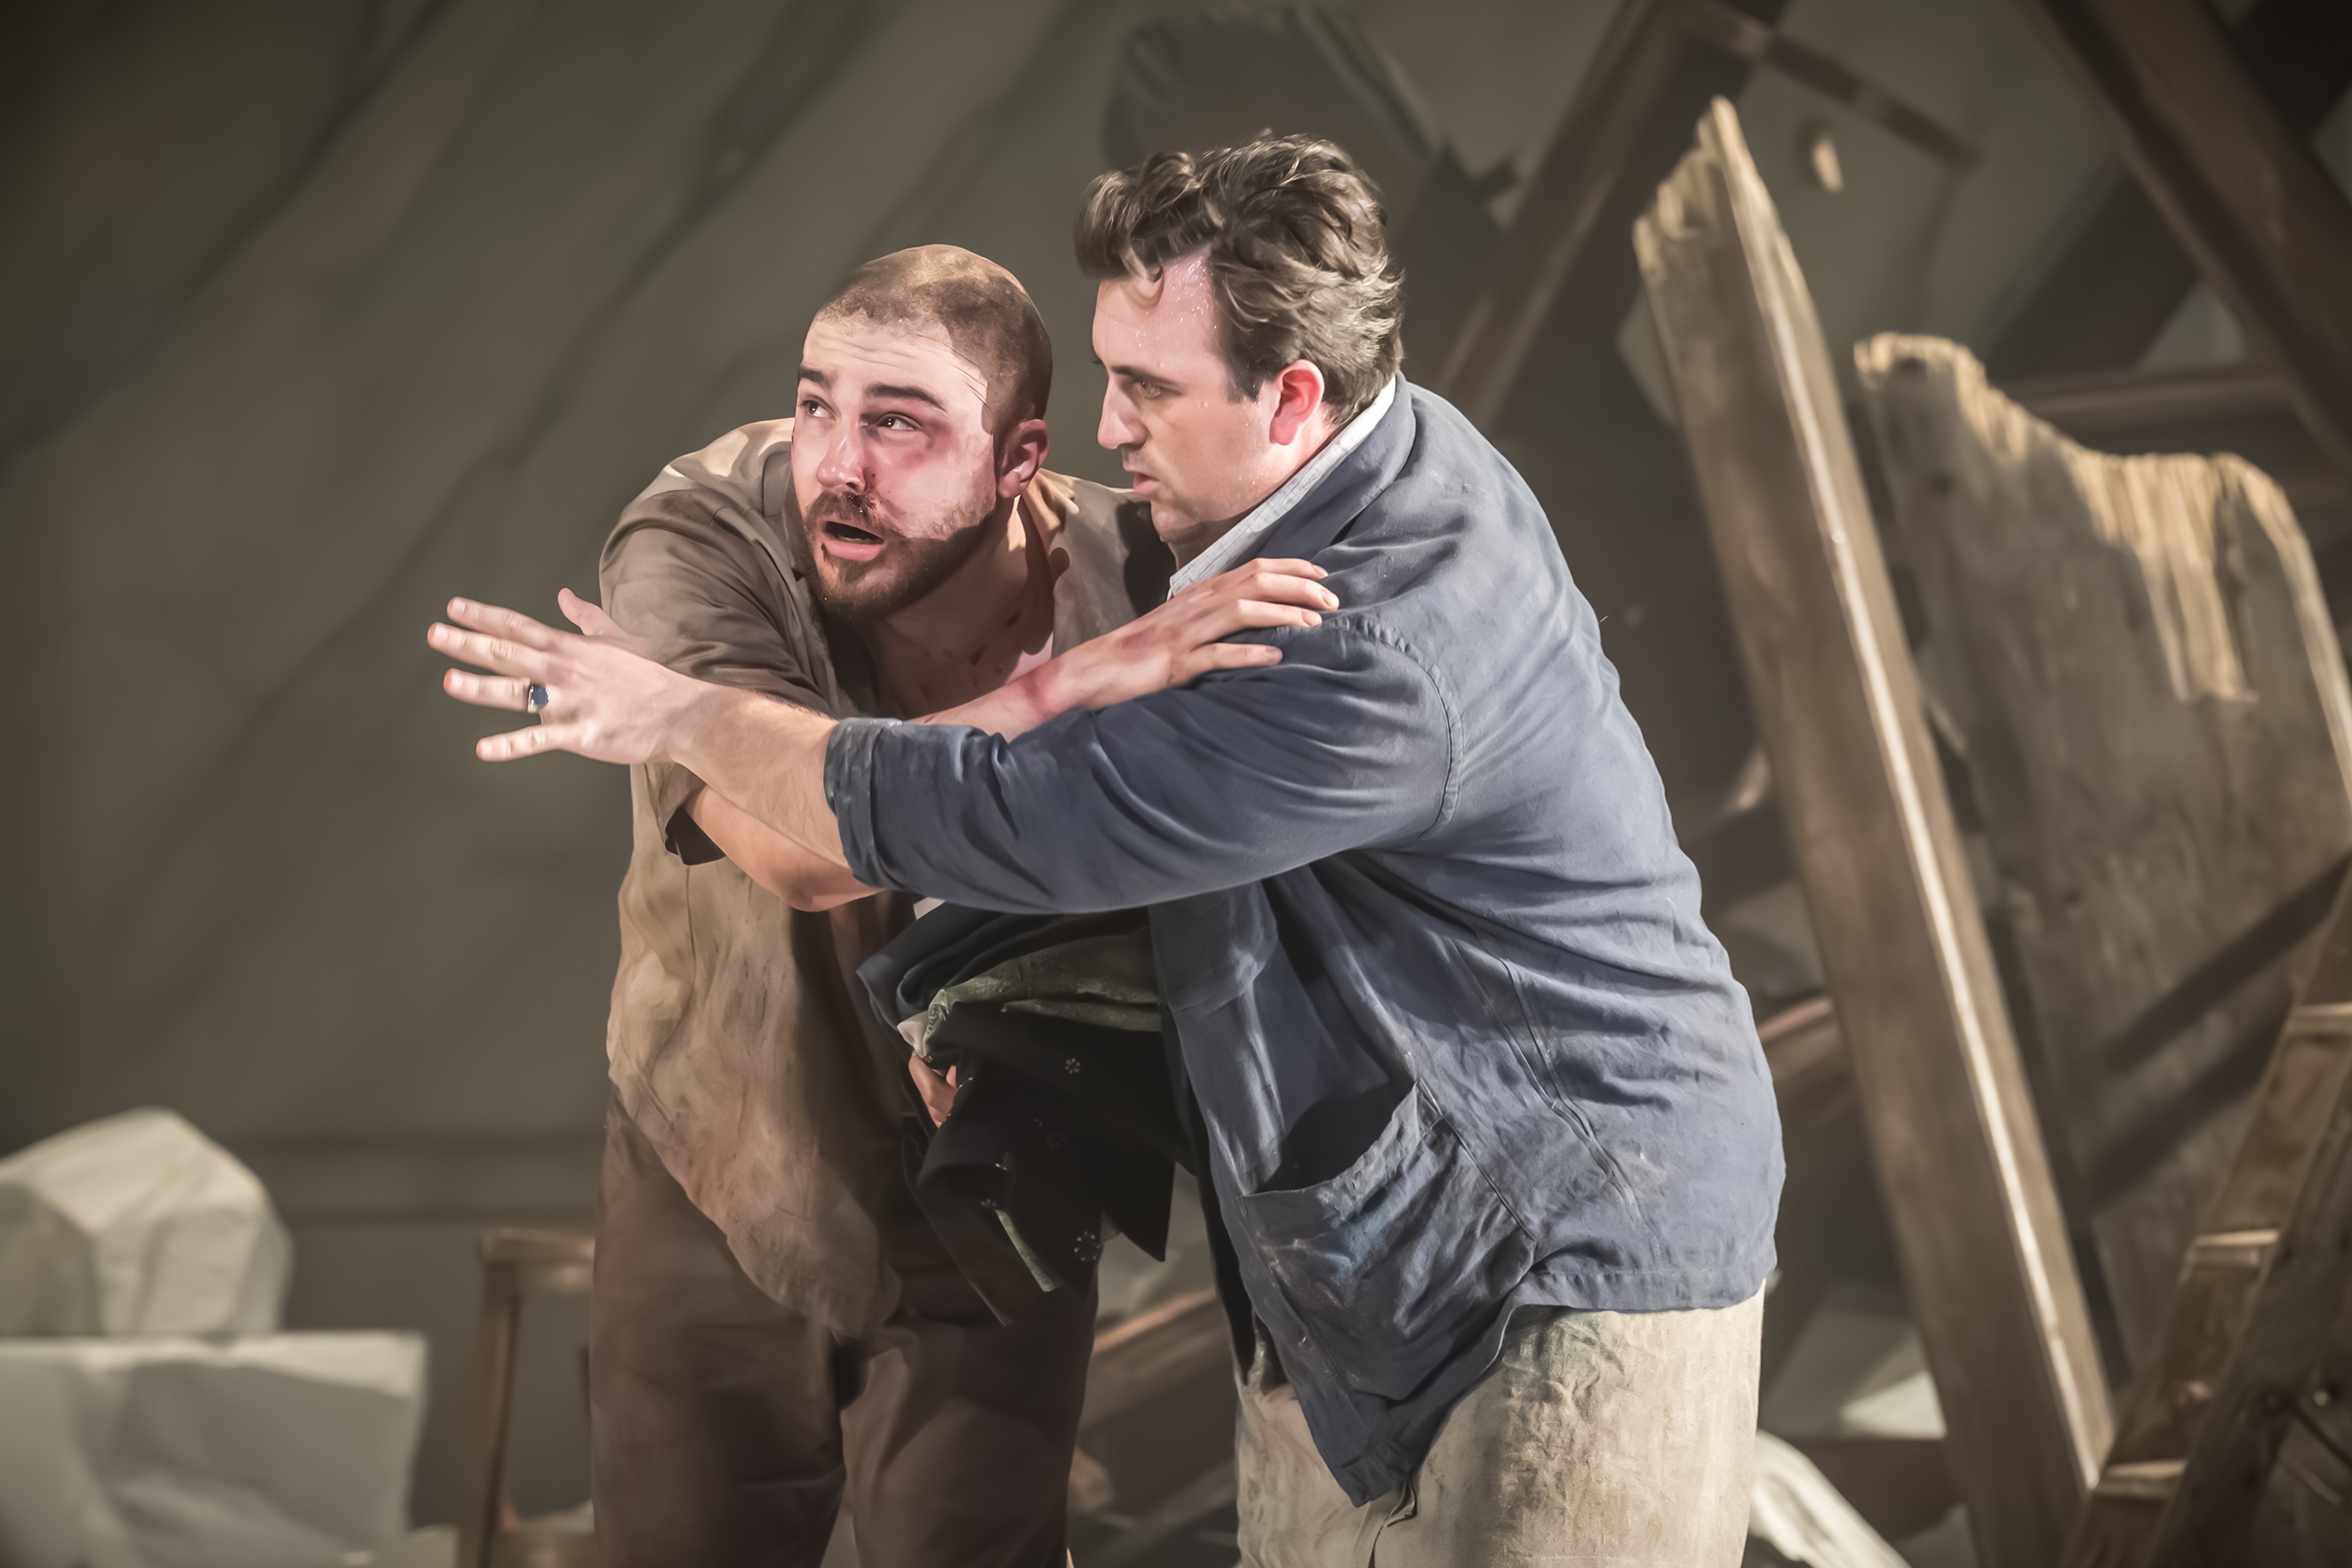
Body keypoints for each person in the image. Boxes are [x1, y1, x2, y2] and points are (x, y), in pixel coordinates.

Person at [434, 140, 1783, 1565]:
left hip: (1530, 1244)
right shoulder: (1362, 462)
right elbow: (821, 855)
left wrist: (679, 712)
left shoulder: (1305, 627)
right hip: (757, 1152)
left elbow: (1020, 824)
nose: (1112, 428)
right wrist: (985, 989)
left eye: (1149, 388)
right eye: (817, 404)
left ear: (1294, 396)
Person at [560, 243, 1332, 1568]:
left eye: (899, 425)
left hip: (999, 1175)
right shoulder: (703, 539)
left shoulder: (1138, 573)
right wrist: (1083, 683)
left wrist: (1029, 1023)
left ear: (1019, 460)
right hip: (729, 1143)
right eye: (816, 405)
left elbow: (1216, 870)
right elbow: (800, 847)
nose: (838, 466)